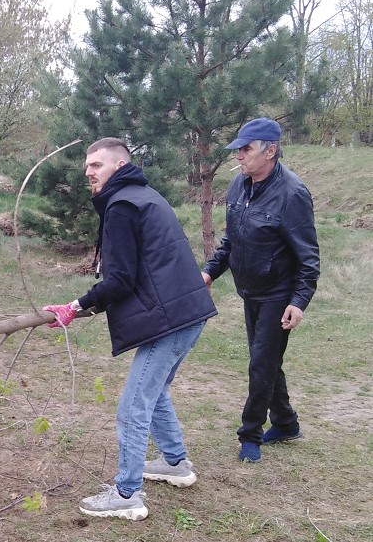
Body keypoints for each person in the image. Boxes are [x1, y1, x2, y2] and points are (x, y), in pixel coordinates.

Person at [44, 137, 217, 521]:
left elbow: (120, 278)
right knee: (154, 393)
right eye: (87, 165)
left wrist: (75, 306)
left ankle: (126, 494)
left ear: (120, 166)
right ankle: (175, 462)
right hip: (188, 312)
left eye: (98, 165)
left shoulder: (122, 206)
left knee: (133, 406)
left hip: (170, 320)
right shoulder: (145, 195)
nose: (89, 171)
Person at [202, 117, 320, 464]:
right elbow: (231, 241)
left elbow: (308, 256)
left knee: (261, 364)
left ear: (270, 151)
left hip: (277, 292)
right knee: (266, 360)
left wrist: (298, 302)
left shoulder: (292, 193)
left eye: (246, 149)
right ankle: (285, 423)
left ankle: (250, 434)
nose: (239, 156)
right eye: (238, 149)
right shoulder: (240, 187)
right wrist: (209, 273)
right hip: (249, 290)